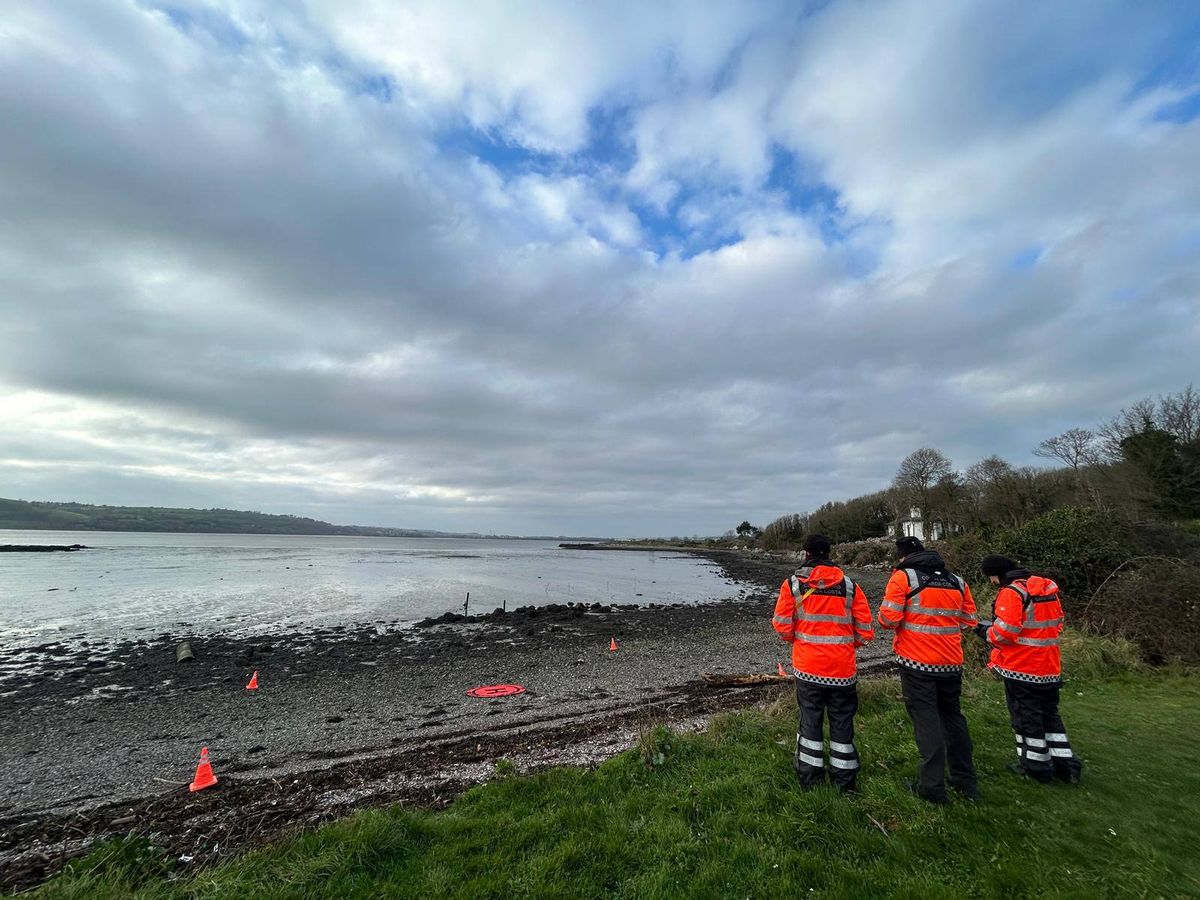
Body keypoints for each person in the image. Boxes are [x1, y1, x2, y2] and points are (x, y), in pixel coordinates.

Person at [878, 536, 979, 803]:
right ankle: (965, 781)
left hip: (916, 662)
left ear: (902, 557)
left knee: (927, 720)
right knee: (953, 717)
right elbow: (969, 620)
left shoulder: (903, 578)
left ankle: (932, 787)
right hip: (951, 661)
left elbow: (888, 619)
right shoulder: (956, 580)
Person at [772, 534, 874, 793]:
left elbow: (782, 625)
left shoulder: (794, 584)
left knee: (810, 721)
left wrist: (798, 639)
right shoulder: (850, 586)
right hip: (842, 669)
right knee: (842, 722)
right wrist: (845, 646)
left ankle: (810, 781)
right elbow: (864, 631)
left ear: (806, 554)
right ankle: (845, 783)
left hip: (808, 667)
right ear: (829, 554)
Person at [979, 555, 1083, 784]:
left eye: (991, 578)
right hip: (1049, 665)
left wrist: (985, 632)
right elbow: (1058, 623)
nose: (992, 583)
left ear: (997, 573)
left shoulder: (1012, 593)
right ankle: (1066, 765)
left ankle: (1036, 766)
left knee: (1026, 717)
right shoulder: (1047, 589)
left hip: (1021, 666)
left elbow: (1004, 633)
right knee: (1050, 716)